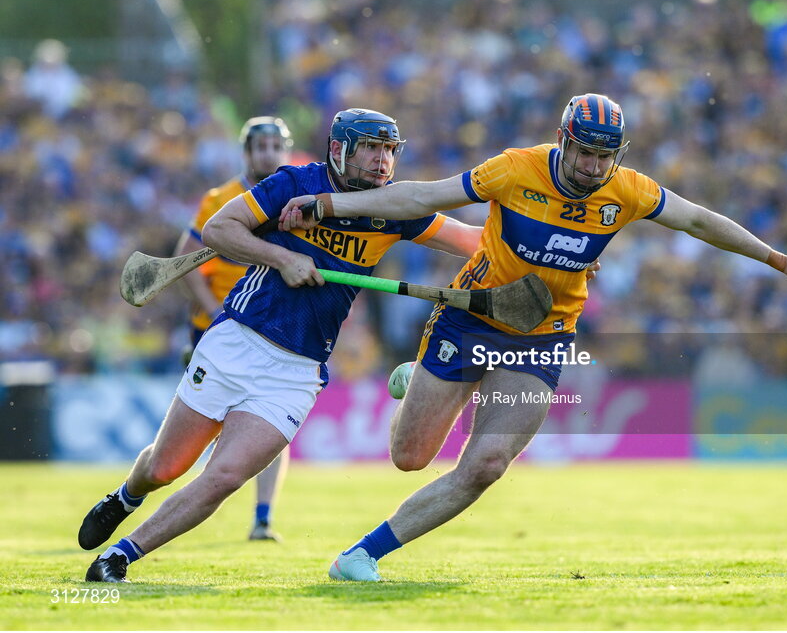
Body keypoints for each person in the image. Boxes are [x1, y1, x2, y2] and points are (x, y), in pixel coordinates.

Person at [278, 93, 787, 582]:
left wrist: (778, 259)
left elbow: (699, 220)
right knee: (409, 458)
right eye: (584, 152)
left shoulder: (628, 190)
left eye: (605, 156)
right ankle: (414, 382)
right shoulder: (514, 169)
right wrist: (329, 205)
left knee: (487, 465)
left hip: (541, 338)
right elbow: (420, 198)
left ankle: (362, 555)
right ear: (564, 141)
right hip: (470, 320)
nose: (594, 167)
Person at [77, 108, 488, 582]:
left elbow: (472, 240)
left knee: (225, 477)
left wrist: (542, 244)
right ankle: (126, 496)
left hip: (297, 371)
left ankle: (120, 557)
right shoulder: (294, 183)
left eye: (389, 151)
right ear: (339, 150)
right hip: (238, 340)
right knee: (166, 467)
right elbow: (218, 230)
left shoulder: (393, 207)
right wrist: (281, 257)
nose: (382, 161)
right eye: (371, 149)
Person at [173, 116, 294, 542]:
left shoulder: (298, 196)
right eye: (260, 146)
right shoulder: (220, 199)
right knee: (204, 427)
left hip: (272, 328)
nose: (269, 154)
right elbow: (186, 261)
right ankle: (163, 498)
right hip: (218, 329)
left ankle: (262, 518)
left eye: (276, 146)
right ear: (246, 153)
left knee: (274, 425)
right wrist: (214, 314)